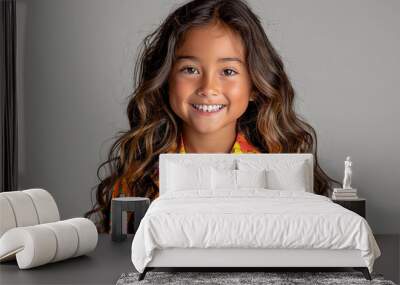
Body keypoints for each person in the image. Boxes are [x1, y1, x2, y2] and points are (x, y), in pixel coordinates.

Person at [85, 0, 340, 234]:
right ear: (166, 80)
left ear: (254, 86)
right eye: (190, 69)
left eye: (228, 71)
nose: (208, 88)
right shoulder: (139, 176)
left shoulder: (280, 171)